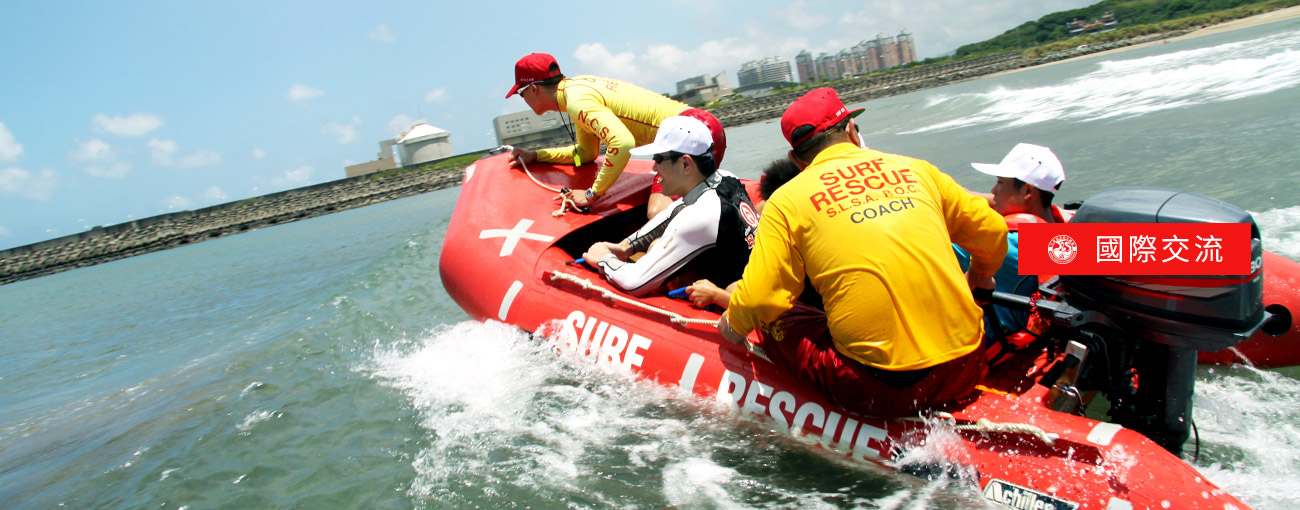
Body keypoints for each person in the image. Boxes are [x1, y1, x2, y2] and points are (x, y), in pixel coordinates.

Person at [718, 87, 1008, 418]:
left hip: (875, 390)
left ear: (796, 160)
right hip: (966, 367)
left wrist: (731, 328)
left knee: (775, 315)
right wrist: (978, 275)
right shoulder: (918, 170)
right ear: (853, 132)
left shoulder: (786, 201)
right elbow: (994, 231)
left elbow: (760, 299)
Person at [505, 52, 727, 218]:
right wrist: (537, 155)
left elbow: (621, 144)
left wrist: (592, 194)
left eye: (521, 93)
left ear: (534, 89)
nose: (522, 99)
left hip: (693, 134)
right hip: (697, 128)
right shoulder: (576, 91)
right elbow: (585, 154)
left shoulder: (577, 102)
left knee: (657, 212)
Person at [581, 115, 758, 297]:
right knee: (657, 244)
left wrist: (603, 259)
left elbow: (633, 283)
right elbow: (674, 211)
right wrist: (626, 247)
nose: (654, 168)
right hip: (745, 275)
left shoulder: (702, 216)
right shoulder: (726, 178)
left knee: (659, 254)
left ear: (685, 163)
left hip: (739, 300)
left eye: (658, 159)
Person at [956, 143, 1067, 342]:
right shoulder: (1062, 229)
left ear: (1027, 192)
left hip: (1005, 354)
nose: (993, 190)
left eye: (1000, 183)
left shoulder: (1008, 244)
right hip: (1042, 338)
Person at [683, 158, 802, 310]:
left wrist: (716, 295)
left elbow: (767, 305)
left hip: (793, 309)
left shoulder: (787, 244)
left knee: (733, 288)